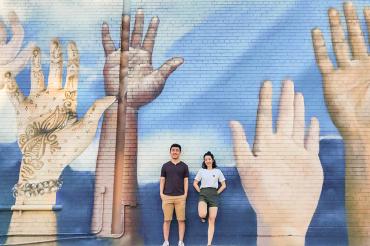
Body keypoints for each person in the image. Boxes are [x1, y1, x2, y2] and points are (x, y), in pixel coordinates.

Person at [193, 151, 226, 246]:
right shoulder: (201, 171)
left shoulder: (218, 171)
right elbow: (195, 183)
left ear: (212, 160)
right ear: (204, 161)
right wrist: (200, 192)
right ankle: (203, 217)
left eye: (209, 159)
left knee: (212, 220)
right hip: (203, 193)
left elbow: (223, 185)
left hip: (213, 195)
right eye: (206, 159)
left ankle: (209, 243)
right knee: (202, 213)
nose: (208, 161)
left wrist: (217, 193)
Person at [160, 144, 189, 246]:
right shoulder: (165, 166)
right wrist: (161, 194)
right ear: (170, 152)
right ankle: (166, 241)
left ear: (180, 152)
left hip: (180, 197)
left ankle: (180, 242)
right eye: (173, 150)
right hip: (167, 197)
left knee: (181, 220)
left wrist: (185, 194)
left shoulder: (184, 166)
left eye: (177, 150)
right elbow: (162, 180)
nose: (175, 152)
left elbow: (186, 181)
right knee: (167, 220)